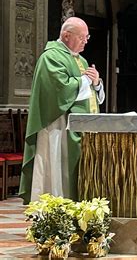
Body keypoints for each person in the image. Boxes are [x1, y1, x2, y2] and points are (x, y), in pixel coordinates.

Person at [19, 17, 105, 204]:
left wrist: (97, 83)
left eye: (87, 37)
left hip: (79, 127)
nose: (86, 41)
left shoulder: (80, 59)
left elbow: (89, 93)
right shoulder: (51, 57)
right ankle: (55, 210)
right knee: (58, 171)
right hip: (57, 125)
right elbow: (59, 90)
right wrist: (86, 81)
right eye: (82, 37)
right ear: (66, 36)